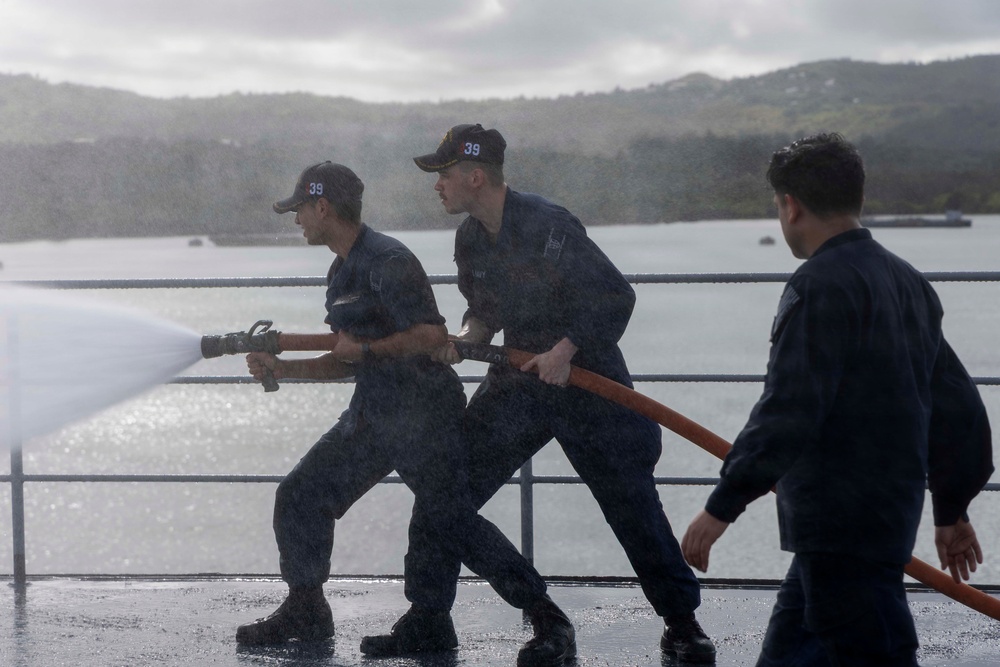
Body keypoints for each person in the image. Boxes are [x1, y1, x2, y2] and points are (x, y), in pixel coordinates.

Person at [364, 124, 716, 664]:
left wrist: (567, 348)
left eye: (443, 175)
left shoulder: (548, 225)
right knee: (445, 492)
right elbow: (484, 309)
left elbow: (614, 296)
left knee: (632, 507)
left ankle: (682, 626)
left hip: (587, 379)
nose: (436, 185)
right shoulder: (470, 237)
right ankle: (461, 618)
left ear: (474, 176)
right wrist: (468, 338)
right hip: (520, 380)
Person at [235, 161, 576, 666]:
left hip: (422, 413)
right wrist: (283, 370)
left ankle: (549, 619)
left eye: (300, 209)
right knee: (301, 495)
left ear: (322, 206)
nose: (297, 219)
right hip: (375, 413)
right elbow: (345, 359)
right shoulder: (341, 270)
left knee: (448, 520)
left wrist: (367, 354)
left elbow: (431, 336)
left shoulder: (388, 260)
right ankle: (312, 609)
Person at [681, 133, 994, 666]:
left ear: (791, 204)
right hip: (881, 517)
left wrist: (722, 506)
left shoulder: (820, 285)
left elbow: (789, 408)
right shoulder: (909, 282)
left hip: (838, 522)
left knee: (877, 652)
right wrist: (951, 505)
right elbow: (959, 406)